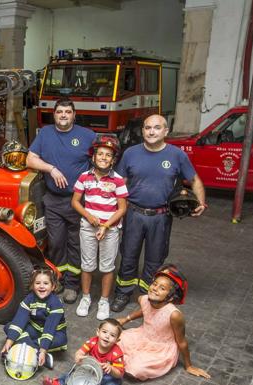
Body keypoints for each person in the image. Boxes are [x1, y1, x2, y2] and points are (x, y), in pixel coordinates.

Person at [111, 114, 206, 313]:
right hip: (133, 213)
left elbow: (195, 180)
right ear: (142, 131)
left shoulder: (177, 155)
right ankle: (123, 293)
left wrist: (201, 202)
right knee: (128, 255)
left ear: (165, 131)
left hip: (161, 216)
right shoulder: (130, 153)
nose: (151, 132)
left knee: (155, 258)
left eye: (156, 128)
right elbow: (118, 182)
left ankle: (148, 297)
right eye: (147, 128)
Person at [26, 99, 96, 303]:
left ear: (74, 115)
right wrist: (51, 168)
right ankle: (58, 278)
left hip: (78, 201)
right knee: (56, 242)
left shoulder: (87, 136)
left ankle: (73, 285)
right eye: (59, 112)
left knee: (75, 243)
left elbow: (103, 159)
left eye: (67, 111)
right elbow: (30, 159)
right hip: (53, 200)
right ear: (54, 115)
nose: (63, 115)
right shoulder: (45, 133)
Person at [116, 264, 210, 380]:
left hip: (160, 349)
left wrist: (189, 366)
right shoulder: (143, 299)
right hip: (141, 335)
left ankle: (129, 361)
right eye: (155, 284)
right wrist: (126, 319)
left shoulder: (174, 315)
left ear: (170, 298)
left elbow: (182, 342)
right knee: (114, 341)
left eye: (162, 288)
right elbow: (145, 311)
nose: (155, 288)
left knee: (136, 369)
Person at [71, 135, 128, 320]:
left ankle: (104, 301)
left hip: (110, 230)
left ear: (113, 160)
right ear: (94, 157)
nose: (104, 157)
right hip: (88, 227)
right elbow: (75, 202)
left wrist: (106, 225)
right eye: (100, 154)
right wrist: (89, 216)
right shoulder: (84, 177)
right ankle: (86, 298)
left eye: (108, 155)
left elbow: (122, 208)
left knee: (107, 267)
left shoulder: (118, 180)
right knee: (87, 265)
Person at [1, 267, 67, 371]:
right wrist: (9, 342)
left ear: (53, 286)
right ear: (32, 285)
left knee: (61, 340)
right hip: (35, 329)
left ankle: (28, 350)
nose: (41, 286)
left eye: (46, 283)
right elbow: (19, 320)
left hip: (54, 332)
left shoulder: (55, 303)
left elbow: (49, 329)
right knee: (9, 327)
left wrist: (43, 350)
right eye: (37, 283)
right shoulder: (29, 298)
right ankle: (33, 352)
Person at [43, 318, 125, 385]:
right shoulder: (93, 342)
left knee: (112, 382)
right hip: (90, 367)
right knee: (73, 373)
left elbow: (120, 373)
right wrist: (78, 356)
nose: (107, 336)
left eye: (112, 335)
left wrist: (111, 369)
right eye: (104, 332)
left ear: (117, 340)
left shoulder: (116, 353)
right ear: (98, 332)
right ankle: (58, 382)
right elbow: (80, 352)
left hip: (106, 374)